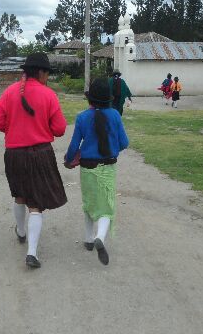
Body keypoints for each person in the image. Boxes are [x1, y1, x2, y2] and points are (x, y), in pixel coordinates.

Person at [0, 52, 67, 269]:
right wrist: (43, 127)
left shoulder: (9, 92)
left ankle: (21, 231)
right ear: (41, 72)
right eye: (47, 73)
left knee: (20, 195)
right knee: (36, 205)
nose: (48, 78)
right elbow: (60, 129)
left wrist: (13, 128)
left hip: (14, 153)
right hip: (40, 153)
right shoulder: (49, 95)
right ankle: (31, 253)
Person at [64, 78, 129, 266]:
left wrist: (69, 161)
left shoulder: (82, 117)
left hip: (87, 168)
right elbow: (124, 143)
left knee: (89, 202)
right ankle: (101, 236)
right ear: (108, 99)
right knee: (106, 207)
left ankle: (89, 239)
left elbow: (74, 145)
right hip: (107, 167)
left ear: (89, 99)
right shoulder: (115, 115)